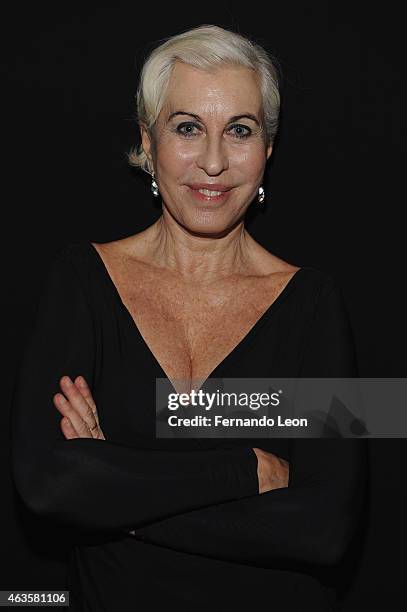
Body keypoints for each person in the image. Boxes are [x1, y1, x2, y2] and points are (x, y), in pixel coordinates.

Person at [11, 24, 368, 611]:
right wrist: (244, 470)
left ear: (269, 149)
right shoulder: (79, 278)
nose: (213, 162)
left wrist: (116, 499)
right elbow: (48, 487)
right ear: (148, 143)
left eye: (240, 131)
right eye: (187, 128)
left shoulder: (317, 303)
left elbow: (326, 530)